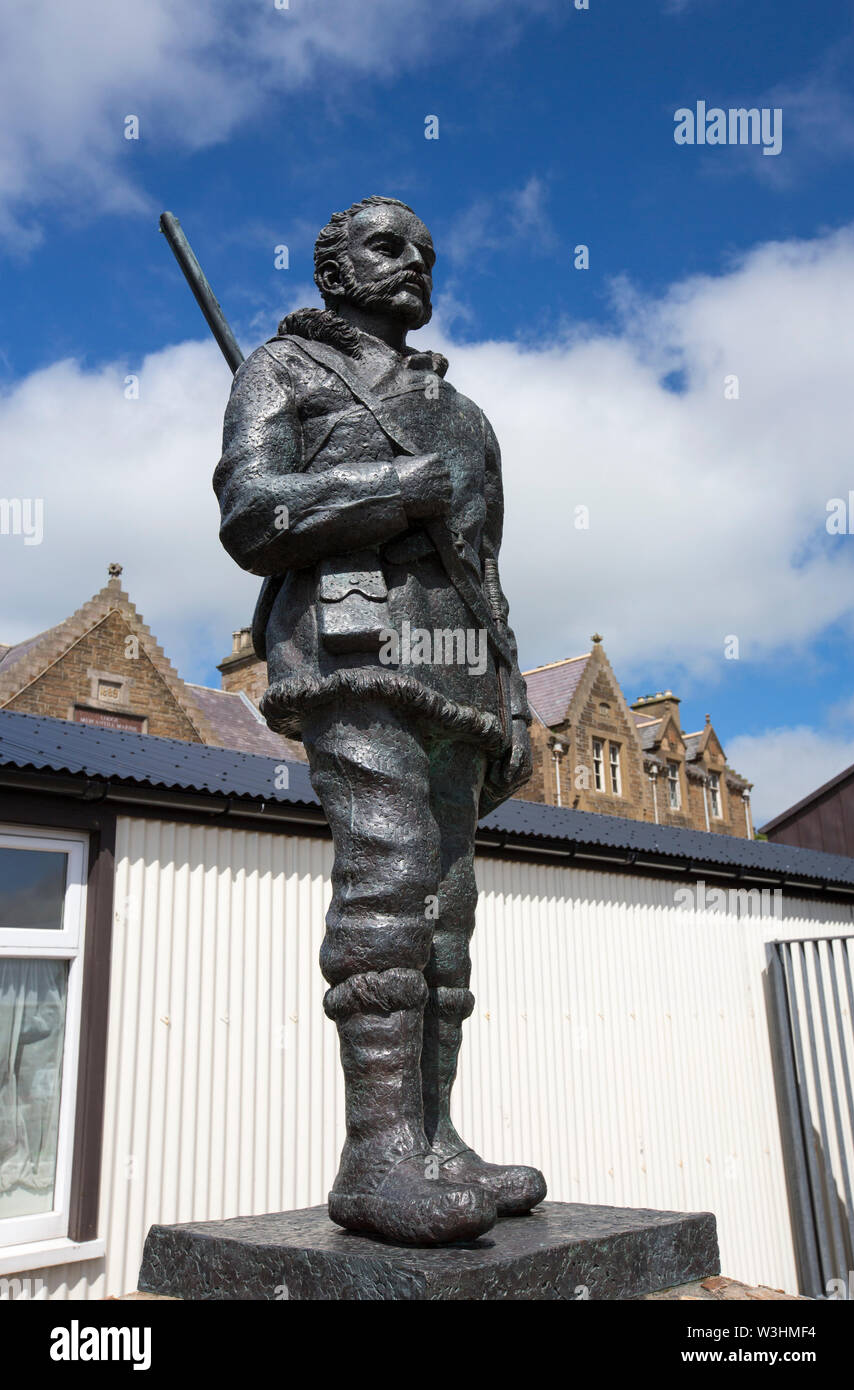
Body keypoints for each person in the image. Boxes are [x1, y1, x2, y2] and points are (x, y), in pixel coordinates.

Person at [214, 195, 545, 1245]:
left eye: (425, 253)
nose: (411, 264)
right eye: (385, 246)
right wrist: (397, 482)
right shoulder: (281, 372)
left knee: (448, 905)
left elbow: (485, 574)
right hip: (352, 653)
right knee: (388, 877)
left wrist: (515, 694)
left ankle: (436, 1139)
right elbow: (251, 515)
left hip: (455, 669)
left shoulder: (466, 413)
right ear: (331, 269)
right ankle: (374, 1159)